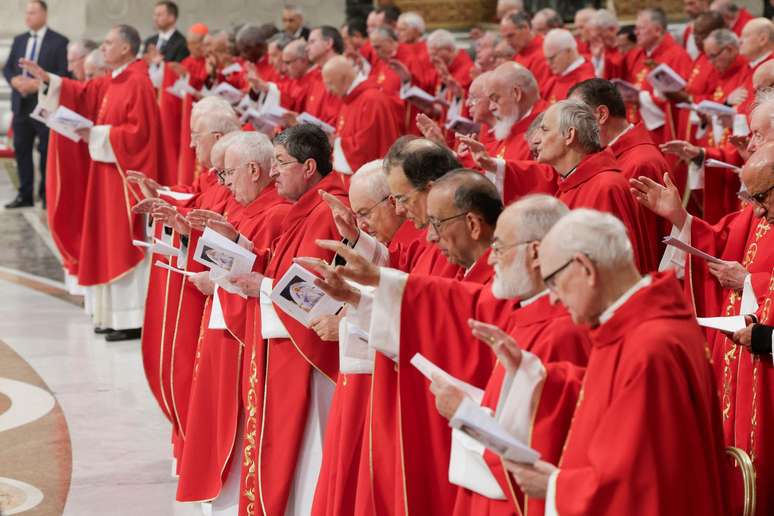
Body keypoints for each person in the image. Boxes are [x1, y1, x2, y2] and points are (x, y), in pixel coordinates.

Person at [500, 208, 728, 516]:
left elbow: (636, 483)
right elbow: (617, 400)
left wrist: (553, 487)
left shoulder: (649, 346)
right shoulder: (641, 322)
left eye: (552, 282)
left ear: (585, 268)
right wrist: (539, 376)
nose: (553, 298)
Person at [631, 141, 774, 515]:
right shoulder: (763, 210)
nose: (757, 211)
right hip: (749, 354)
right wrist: (681, 219)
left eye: (759, 132)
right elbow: (724, 240)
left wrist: (750, 284)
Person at [428, 195, 589, 516]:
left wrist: (464, 412)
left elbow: (540, 450)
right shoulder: (528, 316)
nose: (490, 261)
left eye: (499, 248)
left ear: (535, 252)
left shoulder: (561, 331)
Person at [231, 124, 349, 516]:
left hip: (311, 361)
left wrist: (262, 287)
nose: (274, 172)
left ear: (309, 166)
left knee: (312, 454)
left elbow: (319, 296)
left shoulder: (327, 210)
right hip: (290, 350)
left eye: (281, 163)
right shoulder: (308, 208)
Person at [22, 24, 164, 341]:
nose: (103, 48)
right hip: (106, 176)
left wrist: (97, 134)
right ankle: (113, 316)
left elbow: (139, 136)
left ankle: (131, 319)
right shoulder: (116, 80)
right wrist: (47, 79)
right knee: (105, 241)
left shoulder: (137, 81)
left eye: (109, 43)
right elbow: (85, 94)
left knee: (120, 242)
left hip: (123, 179)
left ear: (126, 48)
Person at [532, 99, 659, 273]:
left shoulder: (605, 187)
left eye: (544, 130)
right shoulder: (571, 183)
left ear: (569, 135)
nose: (535, 139)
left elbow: (611, 267)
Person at [3, 0, 68, 209]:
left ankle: (46, 196)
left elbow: (62, 72)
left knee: (46, 151)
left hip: (44, 105)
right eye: (27, 13)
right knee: (21, 150)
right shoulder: (19, 40)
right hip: (20, 105)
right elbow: (8, 67)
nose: (28, 17)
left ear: (44, 14)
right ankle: (25, 195)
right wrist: (14, 81)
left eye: (32, 12)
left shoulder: (59, 41)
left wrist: (37, 84)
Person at [322, 55, 404, 174]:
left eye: (330, 83)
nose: (328, 90)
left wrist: (337, 142)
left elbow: (366, 149)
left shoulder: (372, 100)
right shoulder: (349, 98)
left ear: (344, 79)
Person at [623, 7, 692, 144]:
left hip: (662, 132)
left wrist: (641, 97)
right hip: (638, 124)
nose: (635, 32)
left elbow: (680, 100)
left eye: (640, 28)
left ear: (657, 30)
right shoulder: (639, 54)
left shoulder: (677, 56)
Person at [541, 29, 595, 104]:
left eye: (552, 58)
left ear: (568, 51)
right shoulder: (553, 80)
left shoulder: (586, 83)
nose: (548, 63)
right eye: (546, 59)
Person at [500, 11, 550, 87]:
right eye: (505, 37)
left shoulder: (543, 54)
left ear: (525, 28)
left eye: (511, 36)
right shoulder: (519, 53)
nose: (508, 42)